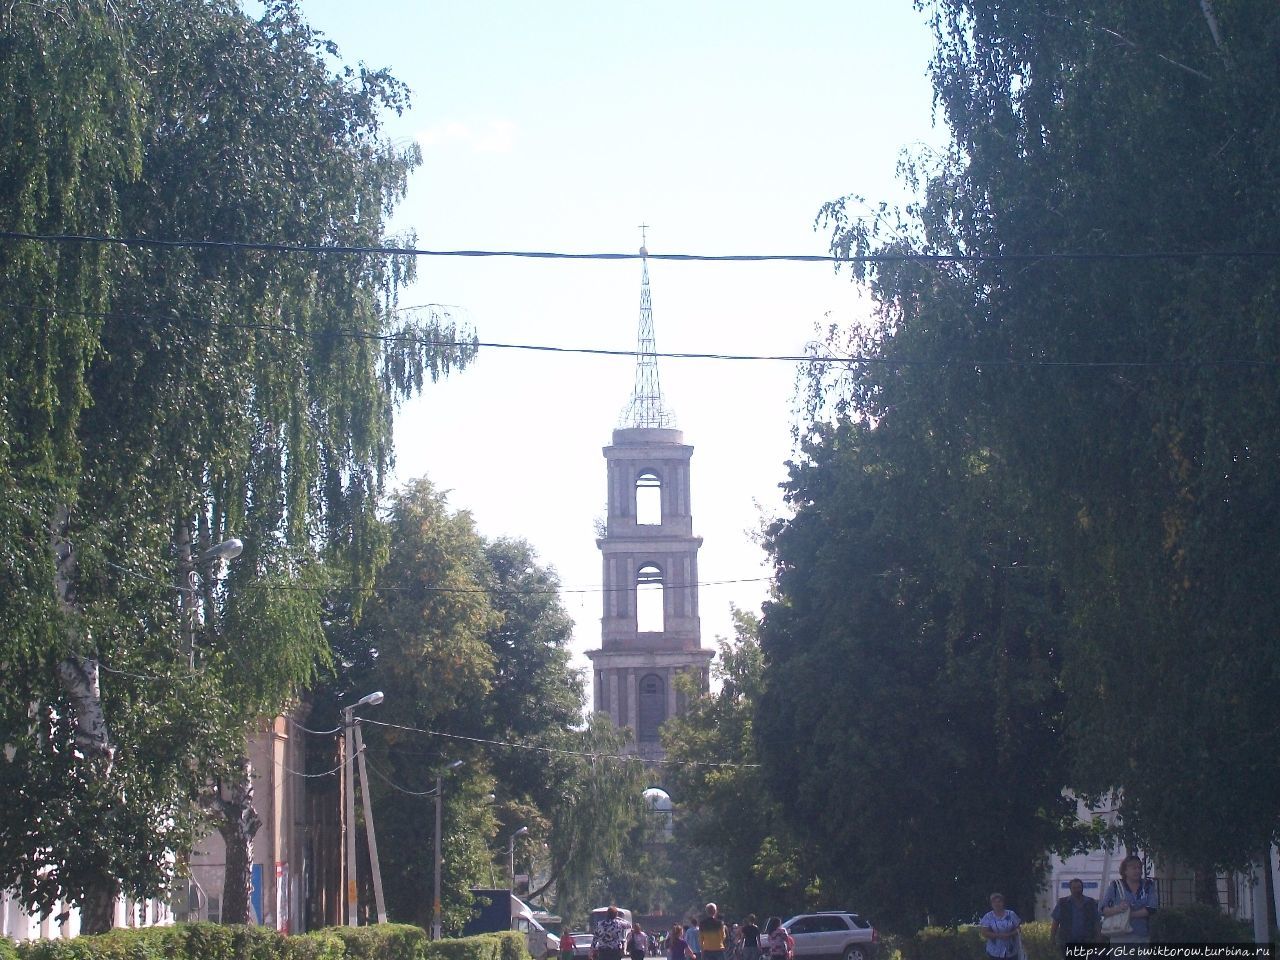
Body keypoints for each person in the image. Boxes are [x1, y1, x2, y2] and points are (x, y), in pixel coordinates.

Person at [1101, 855, 1158, 945]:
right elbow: (1102, 909)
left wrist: (1129, 914)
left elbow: (1152, 907)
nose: (1137, 871)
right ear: (1125, 871)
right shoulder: (1115, 885)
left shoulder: (1147, 885)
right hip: (1120, 936)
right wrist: (1118, 909)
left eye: (1139, 868)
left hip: (1142, 935)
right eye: (1133, 868)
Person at [1051, 879, 1101, 953]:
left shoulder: (1090, 903)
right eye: (1074, 888)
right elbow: (1055, 922)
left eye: (1078, 887)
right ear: (1070, 889)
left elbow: (1096, 922)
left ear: (1082, 888)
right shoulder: (1062, 903)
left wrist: (1098, 938)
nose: (1077, 890)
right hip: (1067, 941)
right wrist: (1052, 938)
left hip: (1087, 941)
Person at [978, 893, 1022, 960]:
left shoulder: (1011, 914)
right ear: (991, 904)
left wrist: (1009, 934)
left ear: (1003, 903)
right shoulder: (988, 916)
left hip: (1011, 950)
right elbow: (984, 932)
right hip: (994, 951)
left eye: (999, 901)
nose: (997, 904)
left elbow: (1019, 928)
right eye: (994, 902)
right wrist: (999, 936)